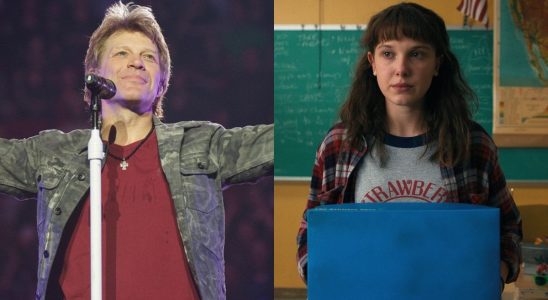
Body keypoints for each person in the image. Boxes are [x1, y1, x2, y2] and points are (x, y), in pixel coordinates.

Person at [0, 2, 272, 299]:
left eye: (148, 57)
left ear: (163, 82)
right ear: (93, 73)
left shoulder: (201, 145)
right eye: (121, 53)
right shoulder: (54, 154)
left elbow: (282, 141)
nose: (136, 62)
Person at [296, 2, 522, 291]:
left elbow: (509, 228)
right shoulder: (338, 145)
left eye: (416, 54)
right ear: (372, 63)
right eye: (388, 54)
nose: (401, 69)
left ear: (438, 63)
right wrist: (325, 277)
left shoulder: (473, 144)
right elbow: (310, 232)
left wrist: (493, 275)